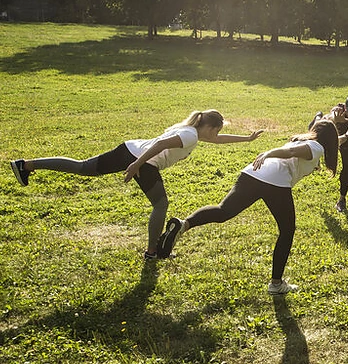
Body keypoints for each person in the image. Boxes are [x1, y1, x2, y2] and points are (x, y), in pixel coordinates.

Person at [9, 110, 264, 260]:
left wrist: (247, 139)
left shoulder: (190, 130)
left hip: (129, 149)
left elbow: (218, 141)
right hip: (143, 162)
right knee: (161, 204)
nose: (216, 134)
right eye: (216, 130)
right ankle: (152, 252)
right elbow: (160, 146)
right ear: (209, 127)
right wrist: (136, 165)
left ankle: (26, 165)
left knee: (82, 167)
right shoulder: (189, 136)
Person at [158, 119, 348, 294]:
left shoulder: (304, 140)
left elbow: (323, 143)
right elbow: (291, 152)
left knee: (223, 211)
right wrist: (269, 153)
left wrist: (347, 137)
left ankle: (183, 224)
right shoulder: (315, 147)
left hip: (252, 173)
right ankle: (276, 284)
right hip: (275, 183)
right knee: (287, 230)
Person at [308, 94, 348, 212]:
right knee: (315, 134)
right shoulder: (338, 112)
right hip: (332, 135)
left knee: (347, 166)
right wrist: (335, 119)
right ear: (345, 109)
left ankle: (342, 200)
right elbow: (327, 120)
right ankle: (317, 116)